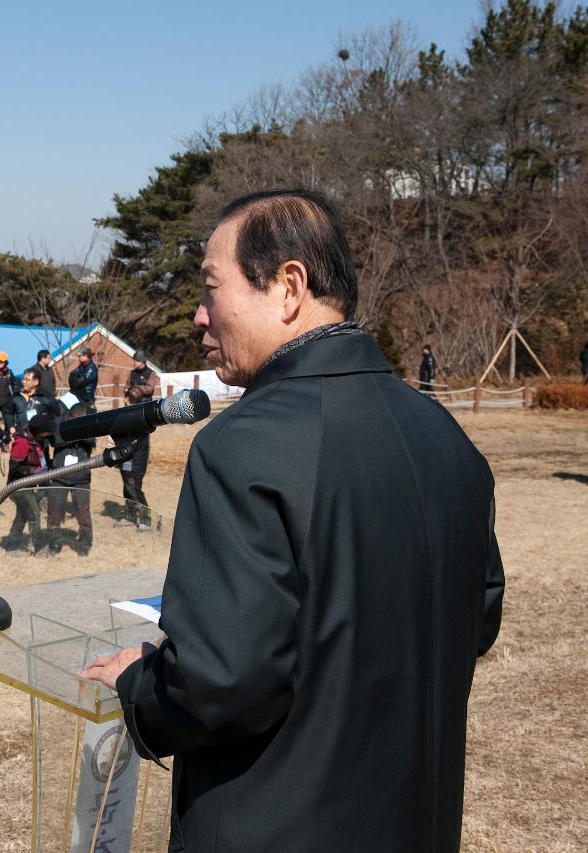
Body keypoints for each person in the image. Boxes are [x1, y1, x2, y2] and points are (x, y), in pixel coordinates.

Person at [79, 189, 505, 851]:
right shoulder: (446, 439)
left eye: (212, 288)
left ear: (288, 286)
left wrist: (142, 681)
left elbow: (219, 683)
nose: (199, 316)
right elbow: (472, 618)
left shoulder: (242, 446)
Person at [45, 402, 94, 556]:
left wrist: (79, 432)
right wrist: (76, 434)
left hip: (81, 477)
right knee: (55, 511)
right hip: (59, 476)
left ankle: (85, 544)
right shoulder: (61, 424)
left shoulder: (91, 426)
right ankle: (54, 542)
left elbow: (91, 440)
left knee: (83, 511)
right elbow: (56, 440)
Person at [1, 412, 53, 553]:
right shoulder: (22, 442)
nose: (47, 436)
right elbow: (14, 468)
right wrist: (34, 473)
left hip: (29, 485)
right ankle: (36, 545)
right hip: (18, 486)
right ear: (39, 432)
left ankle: (11, 545)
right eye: (46, 433)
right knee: (34, 514)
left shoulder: (38, 440)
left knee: (22, 514)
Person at [114, 385, 152, 531]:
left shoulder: (134, 416)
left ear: (127, 399)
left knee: (134, 489)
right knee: (127, 487)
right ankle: (130, 515)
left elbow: (127, 441)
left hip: (134, 460)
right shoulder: (136, 413)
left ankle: (145, 519)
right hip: (128, 459)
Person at [11, 368, 56, 436]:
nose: (24, 382)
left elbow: (55, 415)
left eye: (27, 380)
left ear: (36, 382)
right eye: (23, 379)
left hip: (40, 439)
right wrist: (11, 426)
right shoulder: (16, 397)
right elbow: (8, 413)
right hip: (21, 437)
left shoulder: (44, 398)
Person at [0, 352, 21, 431]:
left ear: (5, 363)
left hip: (6, 402)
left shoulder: (9, 373)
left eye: (1, 362)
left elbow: (15, 384)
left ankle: (8, 439)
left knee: (8, 422)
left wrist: (15, 393)